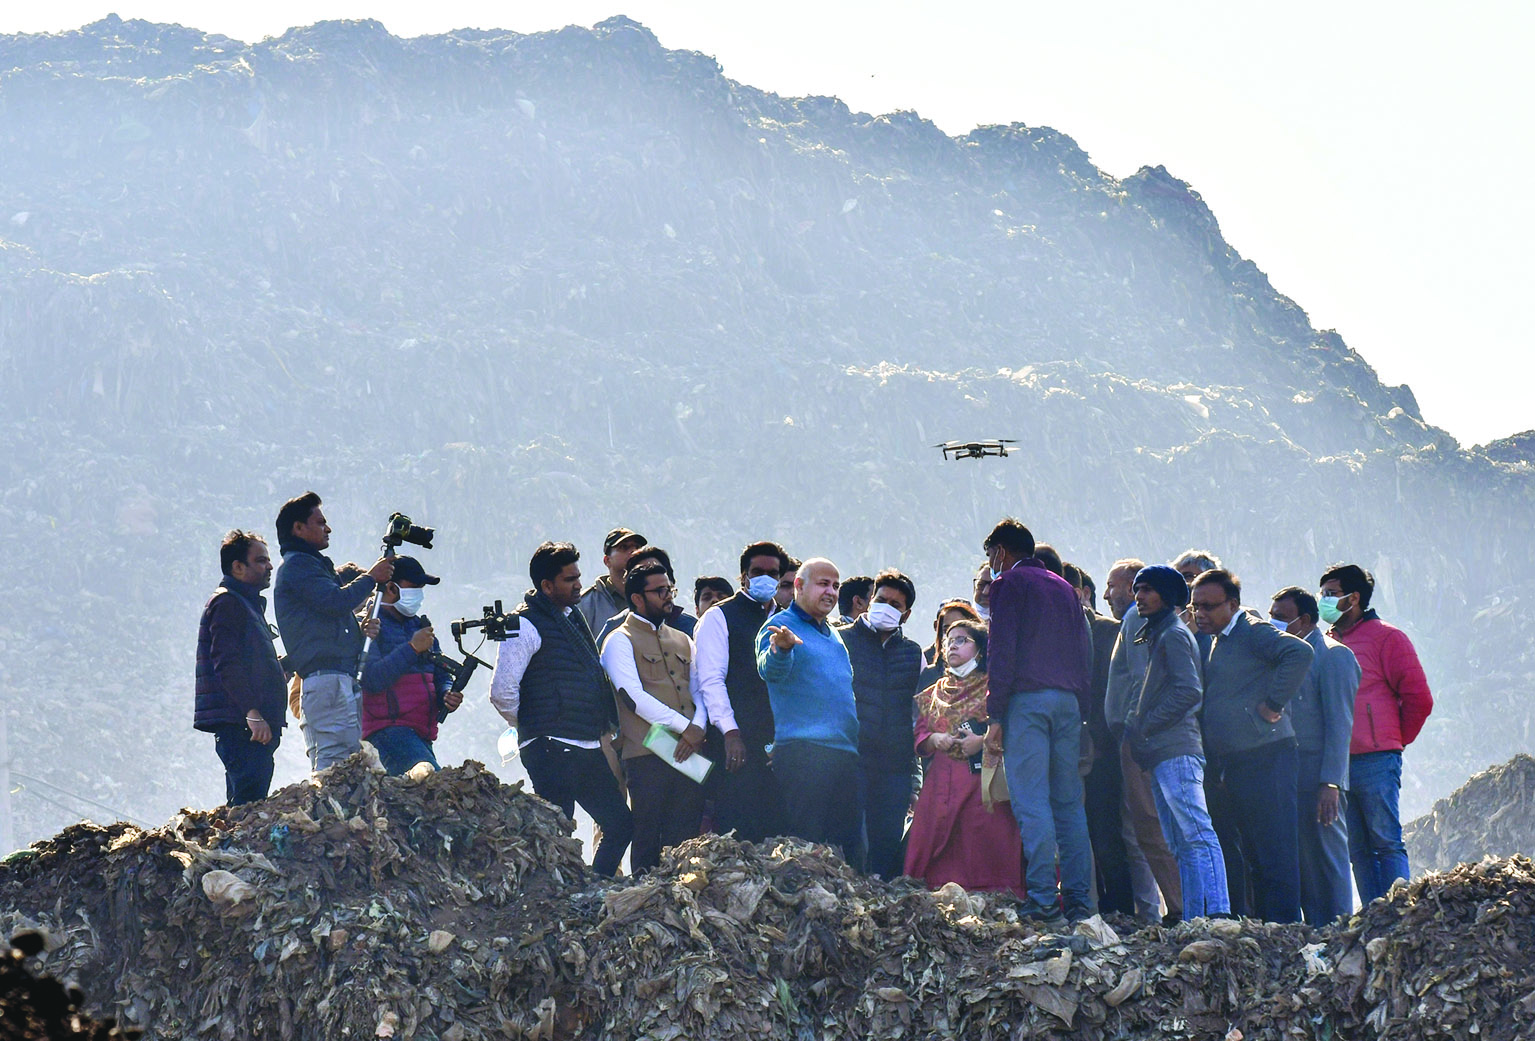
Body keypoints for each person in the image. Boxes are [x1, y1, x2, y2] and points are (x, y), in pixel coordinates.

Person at [490, 541, 633, 877]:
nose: (578, 585)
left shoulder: (571, 618)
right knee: (557, 831)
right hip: (551, 748)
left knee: (620, 824)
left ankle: (593, 886)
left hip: (584, 746)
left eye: (578, 577)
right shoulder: (523, 624)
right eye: (569, 580)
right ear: (546, 586)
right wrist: (534, 725)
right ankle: (556, 898)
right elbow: (501, 692)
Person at [982, 519, 1094, 927]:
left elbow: (1002, 651)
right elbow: (1082, 649)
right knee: (1067, 803)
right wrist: (1080, 705)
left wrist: (995, 715)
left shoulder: (1009, 585)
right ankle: (1080, 901)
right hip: (1067, 703)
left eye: (990, 554)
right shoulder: (1063, 586)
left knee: (1032, 802)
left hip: (1027, 703)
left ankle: (1044, 900)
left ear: (1002, 552)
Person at [1192, 569, 1312, 922]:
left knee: (1275, 851)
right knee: (1255, 853)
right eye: (1195, 606)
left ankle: (1285, 928)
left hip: (1267, 755)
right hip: (1239, 760)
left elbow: (1299, 653)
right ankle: (1266, 926)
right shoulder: (1218, 639)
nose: (1200, 613)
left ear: (1233, 604)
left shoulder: (1253, 631)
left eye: (1209, 606)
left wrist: (1273, 703)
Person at [1319, 563, 1433, 904]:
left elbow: (1419, 698)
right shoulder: (1326, 643)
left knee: (1385, 839)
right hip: (1338, 763)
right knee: (1357, 847)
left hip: (1376, 758)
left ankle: (1399, 912)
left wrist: (1393, 740)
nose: (1323, 601)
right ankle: (1373, 914)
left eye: (1330, 594)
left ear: (1353, 598)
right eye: (1321, 594)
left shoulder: (1388, 637)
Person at [1122, 566, 1230, 917]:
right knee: (1179, 841)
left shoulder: (1173, 635)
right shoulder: (1158, 633)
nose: (1139, 596)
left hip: (1177, 749)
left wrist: (1146, 725)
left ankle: (1217, 912)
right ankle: (1194, 916)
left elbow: (1188, 691)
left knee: (1196, 833)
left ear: (1167, 596)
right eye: (1137, 589)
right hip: (1161, 751)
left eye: (1148, 590)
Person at [600, 561, 708, 874]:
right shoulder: (619, 640)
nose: (667, 596)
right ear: (637, 598)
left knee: (686, 831)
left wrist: (699, 727)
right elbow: (633, 698)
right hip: (648, 751)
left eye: (669, 589)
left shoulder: (683, 639)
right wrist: (686, 728)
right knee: (648, 831)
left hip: (691, 749)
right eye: (659, 591)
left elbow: (699, 689)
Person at [273, 491, 393, 771]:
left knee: (346, 758)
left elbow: (322, 625)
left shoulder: (309, 566)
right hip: (325, 681)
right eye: (320, 522)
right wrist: (371, 578)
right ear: (298, 528)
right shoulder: (299, 565)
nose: (328, 529)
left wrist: (359, 632)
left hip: (336, 678)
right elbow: (334, 602)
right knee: (331, 762)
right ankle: (325, 812)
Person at [906, 620, 1026, 897]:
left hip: (982, 780)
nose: (953, 646)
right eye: (949, 640)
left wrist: (982, 743)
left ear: (981, 651)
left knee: (982, 841)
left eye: (962, 640)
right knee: (939, 845)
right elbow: (921, 732)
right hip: (942, 780)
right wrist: (934, 740)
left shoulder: (994, 688)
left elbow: (1014, 728)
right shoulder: (934, 691)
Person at [756, 558, 862, 858]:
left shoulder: (835, 635)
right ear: (799, 586)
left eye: (836, 585)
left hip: (844, 753)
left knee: (851, 848)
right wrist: (782, 650)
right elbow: (769, 670)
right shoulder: (780, 626)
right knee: (806, 847)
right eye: (823, 583)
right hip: (805, 753)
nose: (831, 592)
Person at [1270, 587, 1359, 924]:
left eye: (1280, 617)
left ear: (1304, 620)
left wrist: (1331, 783)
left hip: (1320, 776)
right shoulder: (1286, 655)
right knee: (1302, 858)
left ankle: (1339, 930)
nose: (1274, 623)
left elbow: (1340, 724)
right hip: (1290, 773)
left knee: (1328, 856)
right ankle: (1315, 929)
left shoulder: (1334, 656)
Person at [693, 541, 790, 842]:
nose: (765, 578)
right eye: (757, 571)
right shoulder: (720, 616)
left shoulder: (785, 620)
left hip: (778, 742)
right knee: (737, 829)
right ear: (743, 577)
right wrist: (730, 733)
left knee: (777, 828)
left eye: (772, 573)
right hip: (736, 742)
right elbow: (711, 680)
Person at [1105, 557, 1182, 923]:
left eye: (1141, 588)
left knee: (1152, 826)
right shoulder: (1147, 621)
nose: (1136, 596)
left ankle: (1180, 908)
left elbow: (1139, 681)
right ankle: (1181, 907)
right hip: (1153, 737)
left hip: (1145, 740)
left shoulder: (1142, 621)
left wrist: (1133, 730)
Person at [195, 530, 288, 805]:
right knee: (249, 801)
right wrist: (253, 713)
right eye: (260, 560)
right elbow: (226, 663)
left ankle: (232, 845)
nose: (269, 566)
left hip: (247, 724)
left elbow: (246, 664)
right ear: (238, 567)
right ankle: (235, 847)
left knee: (245, 798)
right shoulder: (228, 602)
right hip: (242, 727)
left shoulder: (245, 604)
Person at [841, 569, 924, 878]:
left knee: (887, 837)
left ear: (906, 614)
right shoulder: (843, 640)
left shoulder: (913, 653)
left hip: (895, 764)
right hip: (854, 756)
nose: (887, 607)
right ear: (869, 601)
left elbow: (917, 712)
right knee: (852, 835)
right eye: (882, 599)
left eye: (896, 604)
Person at [1071, 561, 1135, 915]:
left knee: (1107, 832)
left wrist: (1098, 736)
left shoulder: (1111, 631)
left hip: (1103, 749)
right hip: (1065, 746)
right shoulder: (1047, 634)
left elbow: (1114, 691)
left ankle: (1122, 908)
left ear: (1082, 593)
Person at [359, 556, 461, 777]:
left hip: (421, 733)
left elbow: (440, 672)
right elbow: (372, 679)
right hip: (388, 731)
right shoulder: (369, 625)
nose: (419, 595)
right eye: (414, 588)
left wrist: (446, 693)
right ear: (391, 588)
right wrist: (412, 648)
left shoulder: (420, 627)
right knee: (431, 786)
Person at [596, 546, 698, 643]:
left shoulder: (690, 628)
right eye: (642, 574)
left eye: (658, 573)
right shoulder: (614, 629)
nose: (652, 578)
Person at [576, 527, 646, 635]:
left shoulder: (653, 597)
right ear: (607, 560)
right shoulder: (586, 604)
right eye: (624, 547)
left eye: (637, 547)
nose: (633, 552)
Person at [919, 599, 982, 690]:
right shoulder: (929, 676)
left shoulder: (992, 677)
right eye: (946, 630)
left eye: (959, 627)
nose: (952, 634)